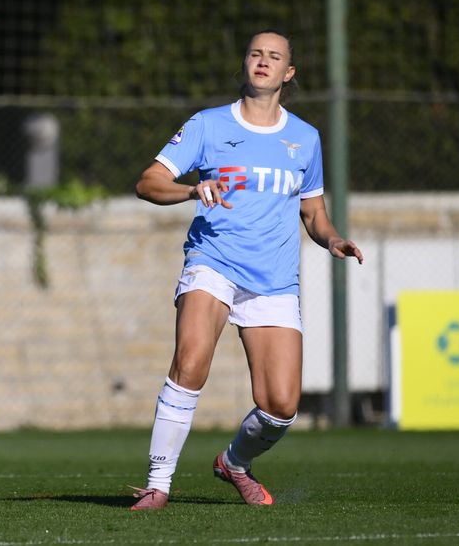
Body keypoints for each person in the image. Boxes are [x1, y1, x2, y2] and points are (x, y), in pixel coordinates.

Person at [129, 31, 363, 511]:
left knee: (281, 406)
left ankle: (233, 463)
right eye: (256, 53)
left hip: (274, 279)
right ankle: (158, 483)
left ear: (288, 73)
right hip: (213, 261)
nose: (263, 61)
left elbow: (314, 214)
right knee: (191, 362)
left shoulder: (305, 138)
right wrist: (194, 190)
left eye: (274, 57)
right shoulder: (208, 125)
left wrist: (333, 238)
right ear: (245, 63)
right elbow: (149, 182)